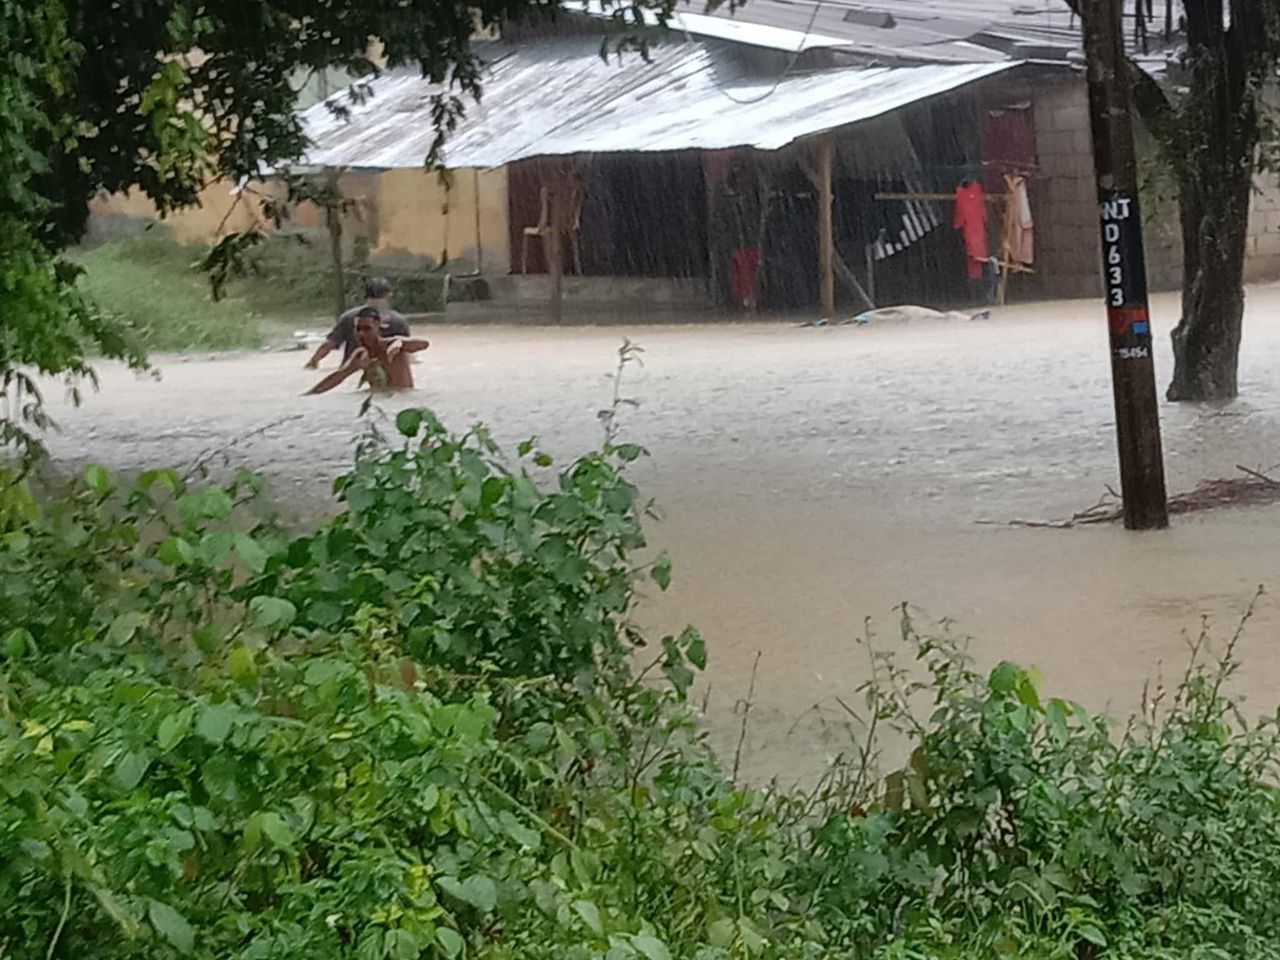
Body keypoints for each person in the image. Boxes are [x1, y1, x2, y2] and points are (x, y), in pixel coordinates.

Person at [305, 308, 430, 395]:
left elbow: (424, 344)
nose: (361, 334)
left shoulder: (391, 344)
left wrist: (401, 344)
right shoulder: (360, 355)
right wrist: (310, 394)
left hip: (403, 400)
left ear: (378, 326)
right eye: (358, 329)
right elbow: (338, 376)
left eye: (366, 329)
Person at [304, 277, 409, 369]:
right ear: (389, 296)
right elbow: (407, 352)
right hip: (385, 372)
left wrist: (313, 362)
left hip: (350, 369)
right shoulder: (399, 320)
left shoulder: (348, 317)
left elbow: (329, 345)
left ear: (365, 296)